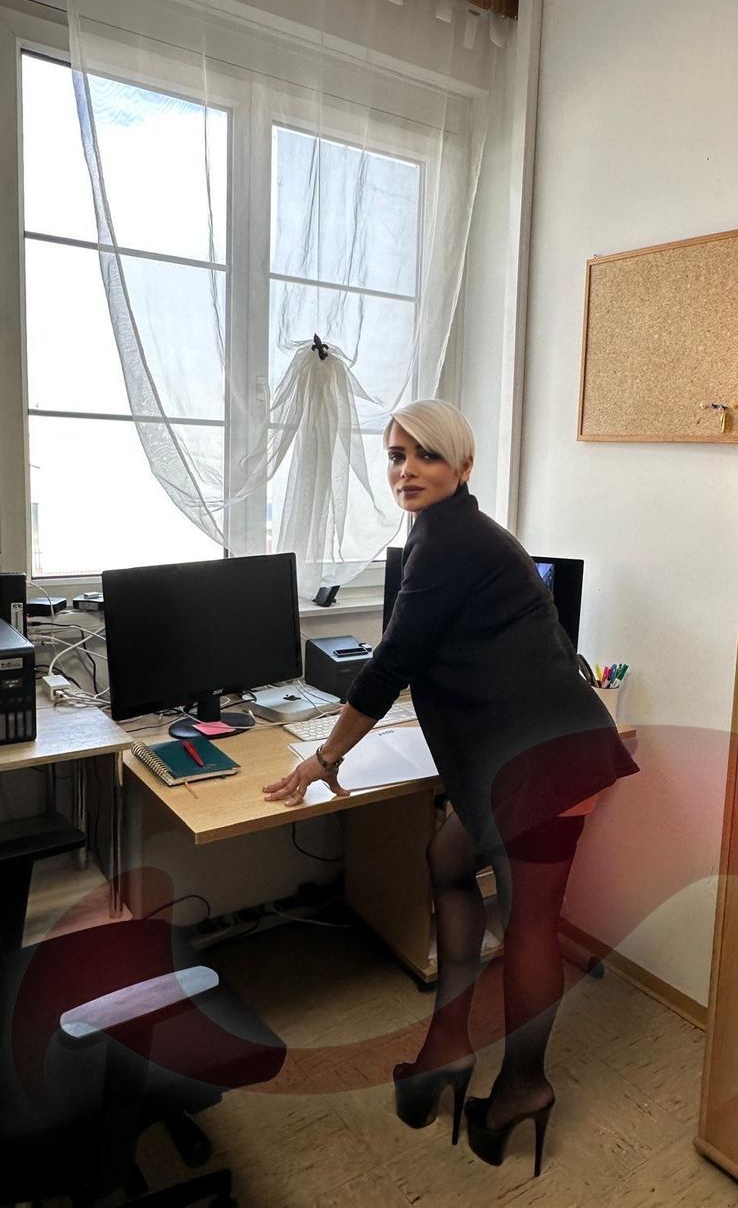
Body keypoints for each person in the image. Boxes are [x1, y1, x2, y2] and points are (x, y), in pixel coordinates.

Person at [263, 399, 637, 1177]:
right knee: (447, 857)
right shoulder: (447, 534)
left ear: (462, 466)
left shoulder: (450, 540)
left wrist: (323, 759)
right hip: (516, 758)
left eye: (425, 456)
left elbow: (389, 666)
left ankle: (524, 1087)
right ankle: (446, 1049)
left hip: (547, 762)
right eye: (396, 456)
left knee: (532, 925)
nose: (406, 470)